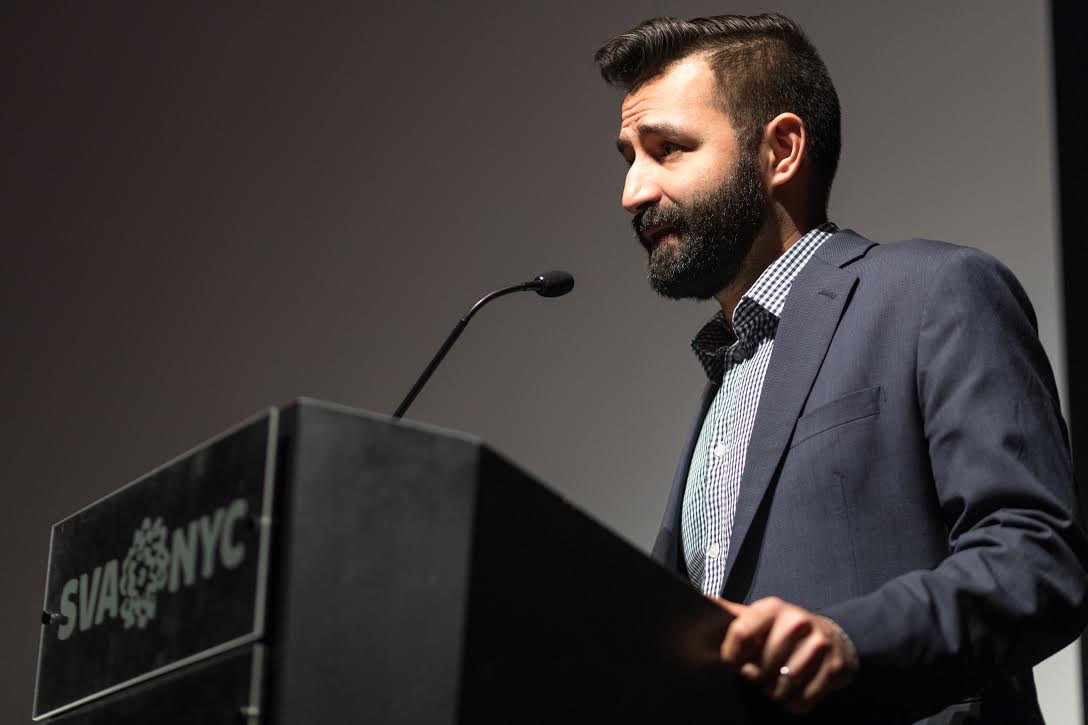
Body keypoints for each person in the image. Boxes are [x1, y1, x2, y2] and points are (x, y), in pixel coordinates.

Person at [595, 12, 1088, 724]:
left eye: (666, 149)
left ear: (782, 150)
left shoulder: (935, 291)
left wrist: (848, 640)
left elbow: (1037, 559)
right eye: (627, 156)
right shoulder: (730, 373)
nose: (633, 192)